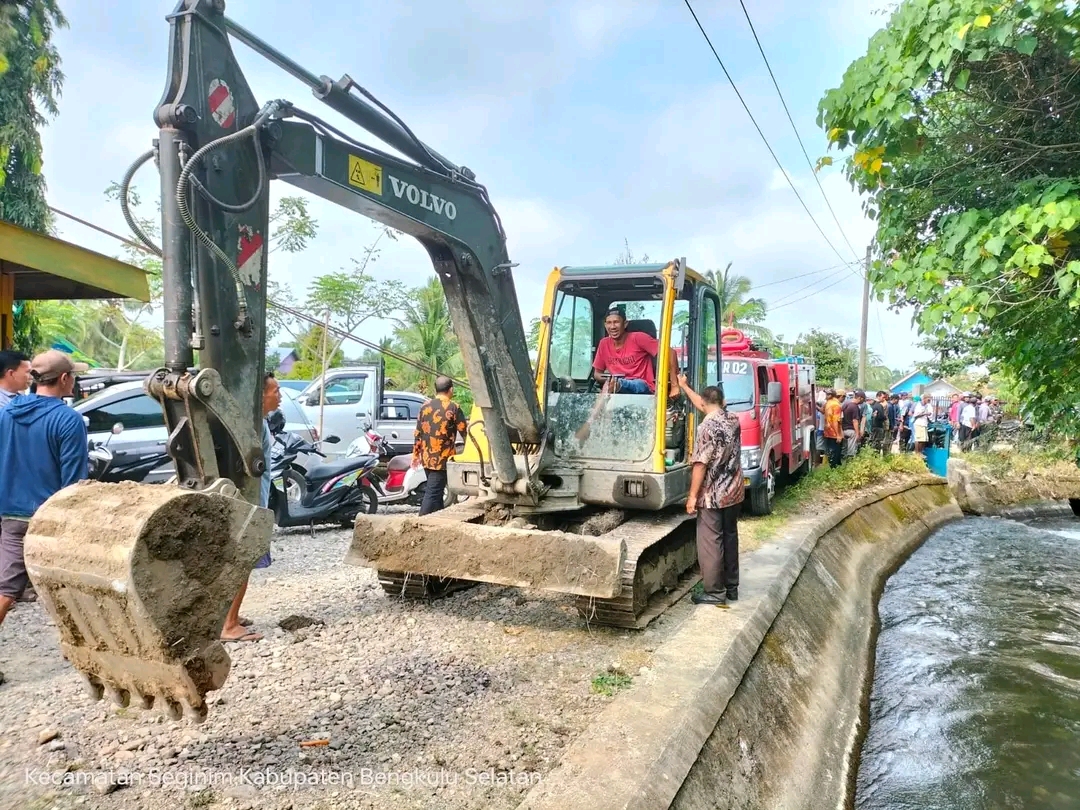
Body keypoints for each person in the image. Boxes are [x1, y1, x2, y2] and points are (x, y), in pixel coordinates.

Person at [0, 351, 89, 654]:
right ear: (65, 379)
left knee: (6, 591)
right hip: (50, 520)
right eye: (73, 376)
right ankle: (86, 650)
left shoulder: (7, 412)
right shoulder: (68, 419)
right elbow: (74, 484)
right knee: (71, 585)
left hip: (11, 515)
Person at [220, 372, 279, 643]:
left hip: (254, 499)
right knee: (242, 562)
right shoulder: (255, 425)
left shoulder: (260, 423)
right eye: (274, 391)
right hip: (250, 503)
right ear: (260, 396)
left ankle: (228, 616)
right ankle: (229, 625)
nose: (278, 396)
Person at [678, 374, 743, 606]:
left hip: (713, 495)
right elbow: (704, 404)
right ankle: (732, 587)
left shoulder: (706, 427)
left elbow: (700, 464)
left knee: (711, 541)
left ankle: (715, 592)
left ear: (705, 403)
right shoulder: (734, 419)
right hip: (734, 492)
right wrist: (685, 386)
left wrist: (692, 496)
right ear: (723, 402)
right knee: (730, 537)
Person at [591, 306, 679, 398]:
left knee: (615, 385)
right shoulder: (604, 344)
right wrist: (609, 379)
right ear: (605, 325)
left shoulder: (638, 338)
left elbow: (671, 352)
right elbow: (597, 374)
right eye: (609, 323)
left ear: (625, 324)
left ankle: (596, 411)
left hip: (643, 386)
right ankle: (595, 412)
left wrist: (674, 386)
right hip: (616, 388)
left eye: (616, 322)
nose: (612, 327)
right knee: (610, 385)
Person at [412, 375, 468, 516]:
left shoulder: (424, 407)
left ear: (435, 389)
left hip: (426, 457)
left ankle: (437, 521)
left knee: (436, 494)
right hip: (442, 460)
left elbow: (418, 433)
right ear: (451, 390)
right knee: (433, 493)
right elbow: (464, 431)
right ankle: (419, 523)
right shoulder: (453, 407)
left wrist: (415, 455)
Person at [822, 389, 844, 468]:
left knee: (832, 452)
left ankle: (833, 468)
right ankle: (835, 469)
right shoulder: (836, 405)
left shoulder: (828, 403)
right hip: (834, 433)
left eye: (827, 394)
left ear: (831, 395)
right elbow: (835, 421)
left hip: (828, 432)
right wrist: (838, 434)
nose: (825, 396)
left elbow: (822, 411)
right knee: (836, 452)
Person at [841, 390, 865, 459]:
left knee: (844, 449)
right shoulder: (855, 407)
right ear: (860, 398)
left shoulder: (845, 404)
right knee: (851, 450)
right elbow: (855, 421)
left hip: (843, 430)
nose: (863, 401)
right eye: (863, 399)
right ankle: (850, 462)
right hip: (851, 431)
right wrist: (857, 433)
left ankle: (842, 465)